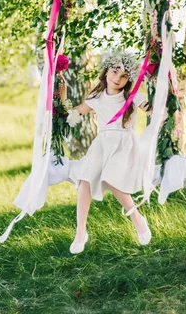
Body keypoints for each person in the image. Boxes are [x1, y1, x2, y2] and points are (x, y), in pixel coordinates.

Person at [65, 51, 152, 254]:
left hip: (124, 144)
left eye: (123, 76)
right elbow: (78, 111)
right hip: (102, 144)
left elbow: (150, 110)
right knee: (84, 180)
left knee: (112, 178)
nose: (117, 79)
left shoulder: (132, 96)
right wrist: (60, 104)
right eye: (114, 72)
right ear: (106, 72)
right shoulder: (96, 97)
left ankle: (136, 218)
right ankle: (80, 231)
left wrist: (160, 110)